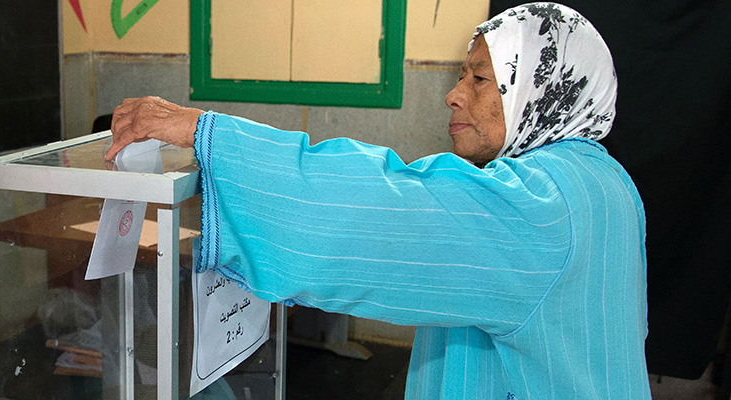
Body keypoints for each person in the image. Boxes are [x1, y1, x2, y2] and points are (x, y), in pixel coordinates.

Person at [106, 3, 651, 399]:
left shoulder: (541, 205)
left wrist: (207, 133)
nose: (453, 93)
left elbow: (383, 211)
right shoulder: (602, 182)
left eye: (480, 78)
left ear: (540, 87)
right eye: (461, 74)